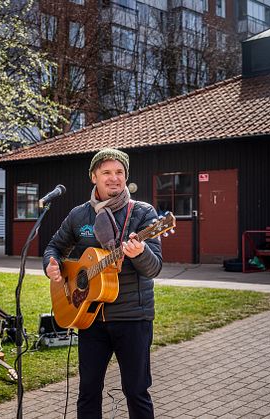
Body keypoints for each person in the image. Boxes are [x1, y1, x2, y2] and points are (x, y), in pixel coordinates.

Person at [42, 148, 162, 419]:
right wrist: (51, 265)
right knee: (88, 391)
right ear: (93, 176)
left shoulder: (143, 213)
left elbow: (154, 268)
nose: (114, 178)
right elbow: (54, 247)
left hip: (133, 317)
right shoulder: (79, 215)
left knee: (136, 391)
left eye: (119, 172)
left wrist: (140, 253)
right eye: (106, 172)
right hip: (89, 317)